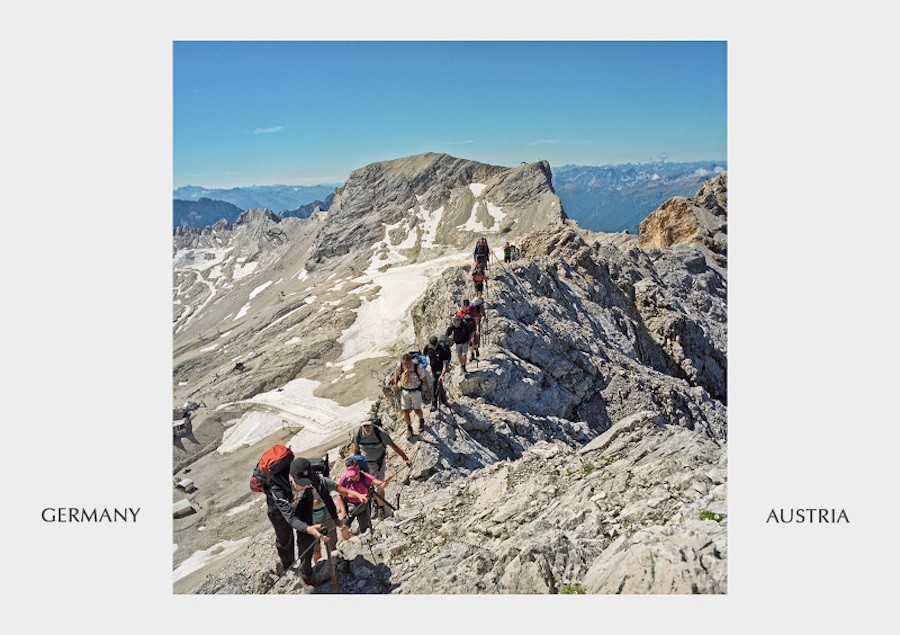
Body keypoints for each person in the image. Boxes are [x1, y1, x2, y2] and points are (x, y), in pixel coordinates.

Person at [262, 456, 332, 584]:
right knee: (285, 541)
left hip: (302, 502)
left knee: (307, 538)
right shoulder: (277, 487)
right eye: (300, 483)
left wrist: (335, 517)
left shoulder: (311, 476)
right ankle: (289, 569)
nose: (304, 486)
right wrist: (308, 528)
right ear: (291, 477)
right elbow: (290, 518)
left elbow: (325, 494)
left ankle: (306, 573)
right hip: (279, 512)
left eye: (306, 483)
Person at [351, 414, 412, 515]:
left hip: (379, 463)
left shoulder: (381, 433)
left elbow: (393, 446)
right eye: (364, 426)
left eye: (368, 425)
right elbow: (356, 450)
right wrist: (354, 465)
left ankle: (381, 507)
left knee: (380, 486)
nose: (366, 428)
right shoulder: (358, 434)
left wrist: (405, 458)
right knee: (368, 487)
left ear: (373, 424)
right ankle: (375, 503)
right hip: (365, 465)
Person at [337, 464, 390, 535]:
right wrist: (343, 511)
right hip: (348, 507)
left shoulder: (365, 477)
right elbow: (339, 495)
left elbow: (381, 485)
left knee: (364, 530)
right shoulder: (344, 479)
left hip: (364, 507)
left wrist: (387, 481)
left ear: (358, 471)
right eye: (350, 475)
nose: (352, 477)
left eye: (354, 475)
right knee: (343, 527)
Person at [391, 353, 433, 436]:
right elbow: (396, 375)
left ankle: (421, 419)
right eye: (404, 364)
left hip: (416, 391)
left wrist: (429, 392)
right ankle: (409, 428)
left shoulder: (418, 367)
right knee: (405, 410)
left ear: (411, 361)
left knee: (416, 409)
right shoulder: (400, 366)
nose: (406, 366)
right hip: (405, 391)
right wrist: (395, 384)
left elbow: (424, 379)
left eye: (408, 364)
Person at [422, 334, 452, 411]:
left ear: (436, 344)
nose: (431, 347)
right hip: (433, 368)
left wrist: (442, 375)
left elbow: (445, 365)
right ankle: (438, 401)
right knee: (436, 383)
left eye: (432, 346)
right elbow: (423, 355)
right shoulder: (428, 348)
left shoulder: (443, 350)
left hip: (441, 368)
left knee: (437, 383)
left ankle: (438, 402)